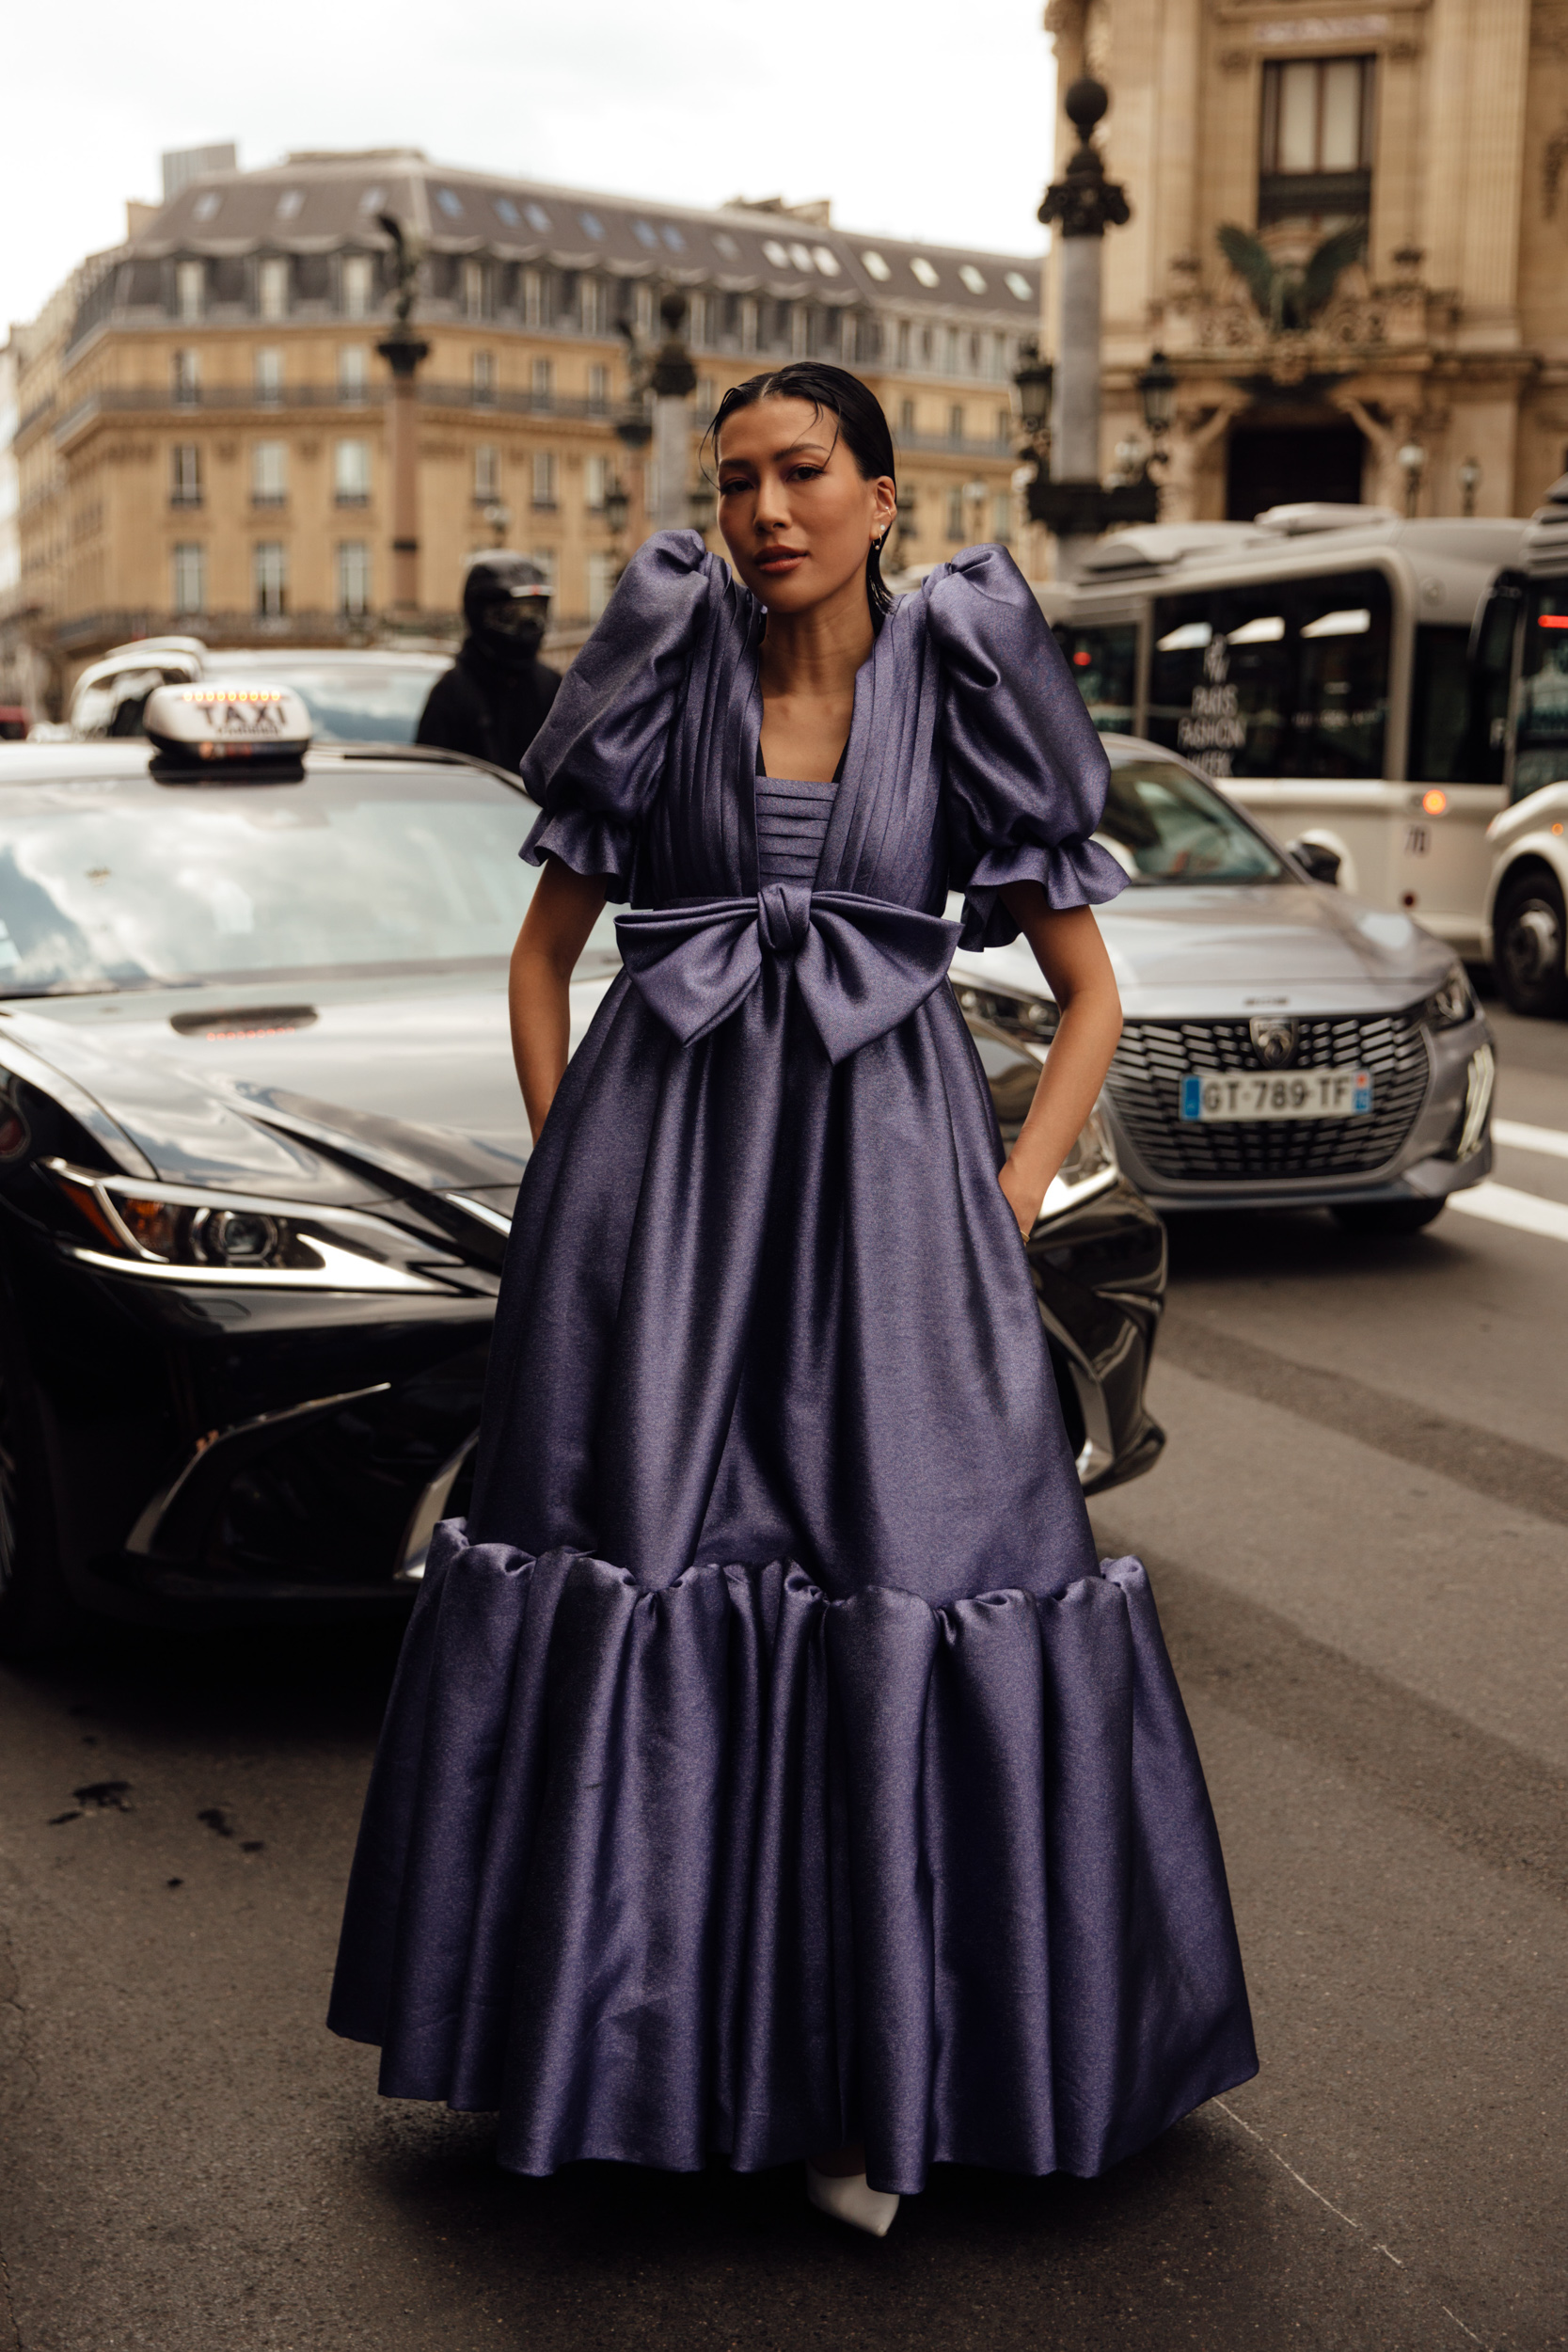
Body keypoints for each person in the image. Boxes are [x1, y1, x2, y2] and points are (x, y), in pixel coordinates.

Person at [330, 363, 1256, 2236]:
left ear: (882, 492)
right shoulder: (658, 677)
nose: (762, 509)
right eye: (734, 477)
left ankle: (874, 2077)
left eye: (801, 472)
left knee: (901, 1576)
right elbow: (539, 963)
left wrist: (997, 1199)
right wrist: (580, 1171)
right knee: (640, 1563)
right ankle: (627, 2053)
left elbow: (1091, 995)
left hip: (892, 1215)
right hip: (650, 1227)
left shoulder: (965, 681)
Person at [416, 552, 560, 773]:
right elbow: (431, 781)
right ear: (480, 614)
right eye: (512, 616)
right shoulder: (452, 693)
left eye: (535, 614)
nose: (528, 627)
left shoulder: (552, 686)